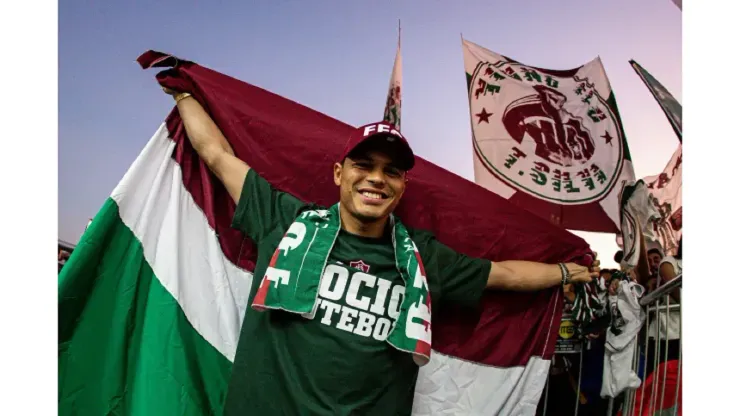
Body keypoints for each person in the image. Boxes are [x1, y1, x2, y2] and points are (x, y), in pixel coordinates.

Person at [163, 88, 600, 415]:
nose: (376, 178)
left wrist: (567, 271)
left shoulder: (421, 257)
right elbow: (217, 155)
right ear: (339, 173)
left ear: (402, 187)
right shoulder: (286, 221)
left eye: (391, 171)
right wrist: (185, 90)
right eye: (364, 165)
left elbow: (504, 274)